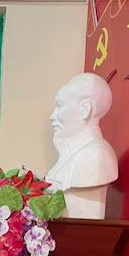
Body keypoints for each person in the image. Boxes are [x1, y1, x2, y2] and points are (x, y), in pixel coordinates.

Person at [45, 72, 118, 218]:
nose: (52, 116)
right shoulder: (71, 153)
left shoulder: (96, 156)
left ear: (85, 110)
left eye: (60, 106)